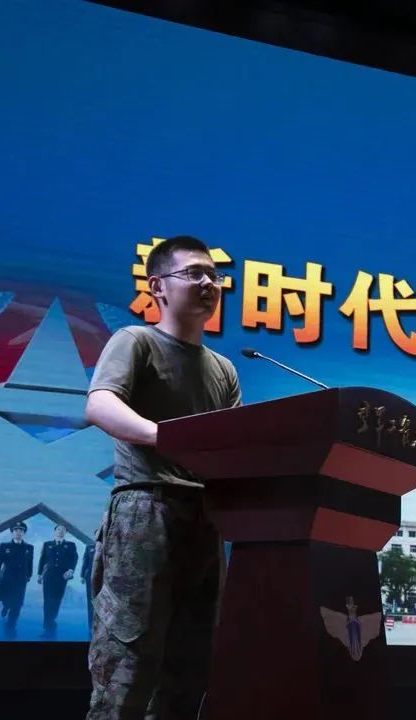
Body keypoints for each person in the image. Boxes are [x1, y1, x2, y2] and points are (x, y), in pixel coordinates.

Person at [85, 236, 241, 719]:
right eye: (194, 273)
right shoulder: (136, 341)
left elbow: (233, 445)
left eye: (214, 275)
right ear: (157, 286)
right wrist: (165, 437)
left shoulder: (224, 369)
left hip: (206, 518)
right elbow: (100, 404)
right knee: (127, 662)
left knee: (190, 668)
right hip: (145, 509)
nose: (208, 283)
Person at [0, 521, 35, 637]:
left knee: (18, 603)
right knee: (6, 599)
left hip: (21, 578)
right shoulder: (4, 546)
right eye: (16, 530)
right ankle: (5, 606)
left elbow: (30, 562)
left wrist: (29, 575)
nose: (18, 532)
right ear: (12, 532)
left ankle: (11, 625)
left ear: (24, 533)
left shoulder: (29, 547)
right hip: (7, 577)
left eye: (21, 530)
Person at [38, 524, 78, 637]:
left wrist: (71, 570)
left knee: (57, 599)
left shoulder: (70, 545)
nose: (60, 531)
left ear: (66, 532)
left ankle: (52, 619)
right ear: (55, 531)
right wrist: (39, 574)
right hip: (48, 575)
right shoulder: (47, 544)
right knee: (47, 599)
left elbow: (74, 558)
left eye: (63, 530)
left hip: (62, 576)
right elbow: (42, 559)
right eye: (58, 529)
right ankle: (47, 625)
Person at [80, 543, 95, 630]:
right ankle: (91, 625)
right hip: (89, 576)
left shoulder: (106, 545)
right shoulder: (89, 547)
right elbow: (85, 561)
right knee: (90, 601)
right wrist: (82, 575)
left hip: (103, 576)